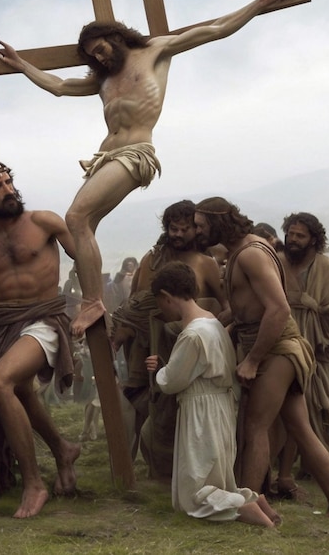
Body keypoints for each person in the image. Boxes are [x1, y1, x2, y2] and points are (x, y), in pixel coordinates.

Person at [0, 0, 293, 337]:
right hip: (106, 156)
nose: (101, 58)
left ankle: (92, 302)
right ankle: (89, 292)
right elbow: (59, 86)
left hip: (136, 154)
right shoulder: (101, 79)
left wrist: (260, 3)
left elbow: (216, 30)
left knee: (75, 216)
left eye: (102, 49)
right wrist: (21, 64)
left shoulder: (154, 51)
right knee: (82, 227)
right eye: (94, 55)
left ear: (115, 37)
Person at [193, 197, 329, 517]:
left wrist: (252, 359)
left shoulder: (251, 254)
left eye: (200, 225)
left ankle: (251, 508)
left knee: (256, 426)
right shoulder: (243, 250)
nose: (197, 231)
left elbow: (278, 310)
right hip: (273, 347)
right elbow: (244, 309)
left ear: (217, 223)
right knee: (300, 430)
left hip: (277, 349)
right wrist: (207, 325)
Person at [0, 161, 81, 518]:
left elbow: (85, 252)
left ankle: (33, 483)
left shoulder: (45, 222)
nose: (9, 190)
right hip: (3, 323)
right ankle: (62, 450)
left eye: (9, 182)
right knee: (21, 391)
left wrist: (93, 302)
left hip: (45, 320)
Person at [144, 261, 279, 526]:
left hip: (200, 411)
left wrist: (160, 371)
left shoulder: (192, 335)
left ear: (167, 298)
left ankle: (243, 507)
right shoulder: (213, 323)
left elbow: (172, 381)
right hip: (221, 405)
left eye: (160, 302)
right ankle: (254, 500)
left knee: (193, 492)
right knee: (215, 477)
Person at [111, 199, 227, 474]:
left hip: (186, 346)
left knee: (179, 407)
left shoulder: (205, 263)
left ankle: (181, 468)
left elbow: (224, 306)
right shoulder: (153, 259)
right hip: (145, 345)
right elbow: (134, 305)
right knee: (143, 404)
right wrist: (118, 338)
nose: (176, 234)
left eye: (184, 229)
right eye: (172, 228)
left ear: (195, 230)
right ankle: (145, 465)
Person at [275, 213, 329, 495]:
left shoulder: (325, 267)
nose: (293, 240)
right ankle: (283, 472)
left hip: (320, 344)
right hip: (283, 342)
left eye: (300, 236)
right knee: (286, 407)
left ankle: (328, 468)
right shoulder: (277, 262)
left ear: (313, 239)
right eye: (291, 234)